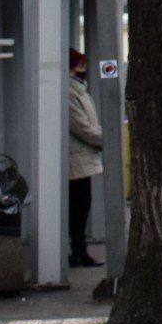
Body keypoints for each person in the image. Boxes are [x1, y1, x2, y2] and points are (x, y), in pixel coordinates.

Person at [66, 50, 103, 268]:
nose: (83, 68)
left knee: (81, 205)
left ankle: (79, 250)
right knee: (79, 207)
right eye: (79, 65)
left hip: (81, 156)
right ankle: (79, 251)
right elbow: (82, 127)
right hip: (77, 157)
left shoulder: (77, 90)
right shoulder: (72, 92)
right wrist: (104, 138)